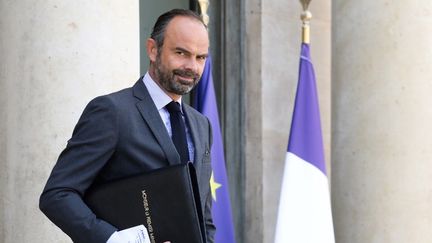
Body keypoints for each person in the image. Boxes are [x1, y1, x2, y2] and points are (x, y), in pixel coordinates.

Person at [39, 9, 215, 243]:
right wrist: (114, 239)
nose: (191, 66)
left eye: (200, 57)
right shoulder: (111, 112)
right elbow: (57, 195)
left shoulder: (201, 124)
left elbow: (204, 216)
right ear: (153, 49)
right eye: (181, 52)